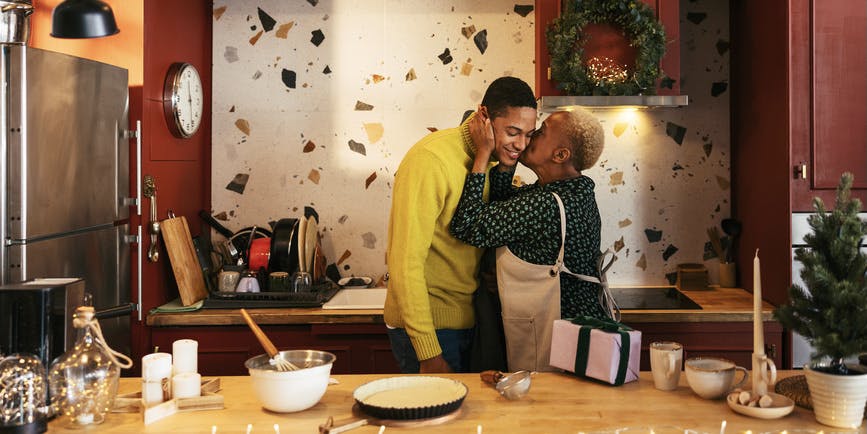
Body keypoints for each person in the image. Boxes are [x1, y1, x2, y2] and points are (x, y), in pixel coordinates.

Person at [384, 76, 537, 374]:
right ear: (484, 116)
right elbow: (405, 263)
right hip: (427, 329)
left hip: (468, 321)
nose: (521, 144)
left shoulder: (493, 161)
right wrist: (428, 352)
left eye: (529, 134)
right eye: (513, 132)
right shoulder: (430, 160)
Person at [449, 108, 610, 372]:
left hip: (557, 349)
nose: (530, 136)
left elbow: (467, 226)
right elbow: (503, 204)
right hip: (581, 339)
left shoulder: (545, 204)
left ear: (560, 155)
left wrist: (482, 155)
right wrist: (506, 161)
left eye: (540, 132)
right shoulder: (575, 191)